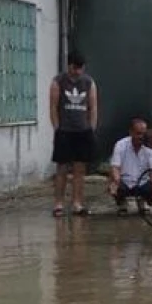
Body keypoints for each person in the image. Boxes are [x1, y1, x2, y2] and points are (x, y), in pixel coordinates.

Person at [49, 50, 98, 217]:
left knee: (79, 169)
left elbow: (93, 107)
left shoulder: (88, 82)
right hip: (64, 131)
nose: (77, 72)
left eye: (80, 68)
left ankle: (77, 203)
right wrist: (57, 128)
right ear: (68, 65)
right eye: (74, 68)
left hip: (83, 131)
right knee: (61, 169)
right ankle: (58, 203)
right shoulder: (58, 82)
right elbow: (53, 107)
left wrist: (91, 128)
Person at [108, 118, 152, 215]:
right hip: (125, 181)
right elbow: (115, 167)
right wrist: (115, 181)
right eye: (138, 133)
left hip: (143, 183)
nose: (141, 137)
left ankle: (142, 201)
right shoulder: (120, 144)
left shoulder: (150, 148)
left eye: (143, 134)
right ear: (131, 132)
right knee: (114, 183)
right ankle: (122, 203)